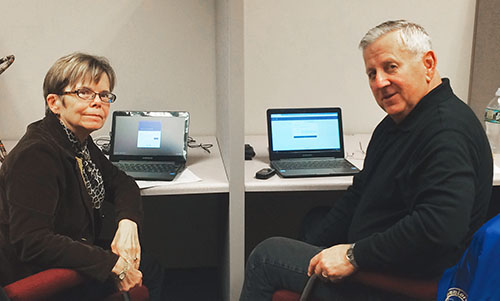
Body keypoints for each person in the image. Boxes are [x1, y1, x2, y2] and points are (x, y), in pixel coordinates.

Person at [240, 20, 493, 300]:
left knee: (266, 256)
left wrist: (352, 256)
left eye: (390, 67)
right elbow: (359, 195)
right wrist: (312, 251)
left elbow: (439, 229)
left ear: (428, 64)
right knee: (315, 221)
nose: (379, 82)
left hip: (402, 281)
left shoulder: (447, 131)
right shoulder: (396, 124)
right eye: (372, 73)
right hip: (382, 259)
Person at [0, 53, 164, 299]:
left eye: (104, 95)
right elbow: (33, 242)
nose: (98, 102)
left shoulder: (77, 141)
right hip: (37, 272)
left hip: (73, 249)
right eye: (84, 93)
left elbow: (123, 183)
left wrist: (128, 223)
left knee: (150, 266)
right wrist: (113, 265)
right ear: (55, 103)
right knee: (147, 270)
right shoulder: (36, 154)